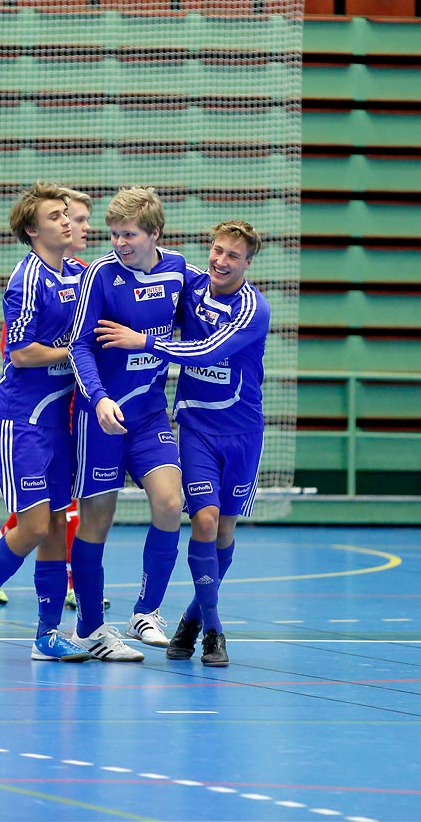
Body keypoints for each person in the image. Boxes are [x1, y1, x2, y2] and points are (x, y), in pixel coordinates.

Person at [94, 221, 269, 668]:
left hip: (243, 433)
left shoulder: (253, 309)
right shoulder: (190, 285)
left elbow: (208, 351)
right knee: (205, 521)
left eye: (232, 256)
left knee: (224, 530)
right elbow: (156, 272)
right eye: (217, 251)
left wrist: (144, 342)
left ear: (248, 263)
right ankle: (214, 630)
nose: (221, 261)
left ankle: (191, 618)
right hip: (194, 427)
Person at [0, 183, 91, 663]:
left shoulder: (75, 271)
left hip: (58, 421)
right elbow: (20, 351)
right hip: (20, 419)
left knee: (56, 526)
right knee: (32, 525)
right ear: (33, 230)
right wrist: (74, 354)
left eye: (68, 214)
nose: (67, 222)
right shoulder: (27, 278)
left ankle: (48, 635)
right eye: (56, 216)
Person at [65, 186, 189, 661]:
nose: (120, 243)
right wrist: (97, 399)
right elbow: (79, 347)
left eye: (130, 235)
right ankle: (91, 628)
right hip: (102, 418)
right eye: (114, 234)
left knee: (169, 501)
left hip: (150, 413)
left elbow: (207, 308)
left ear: (155, 233)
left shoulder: (180, 271)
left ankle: (146, 612)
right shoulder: (100, 276)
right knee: (97, 519)